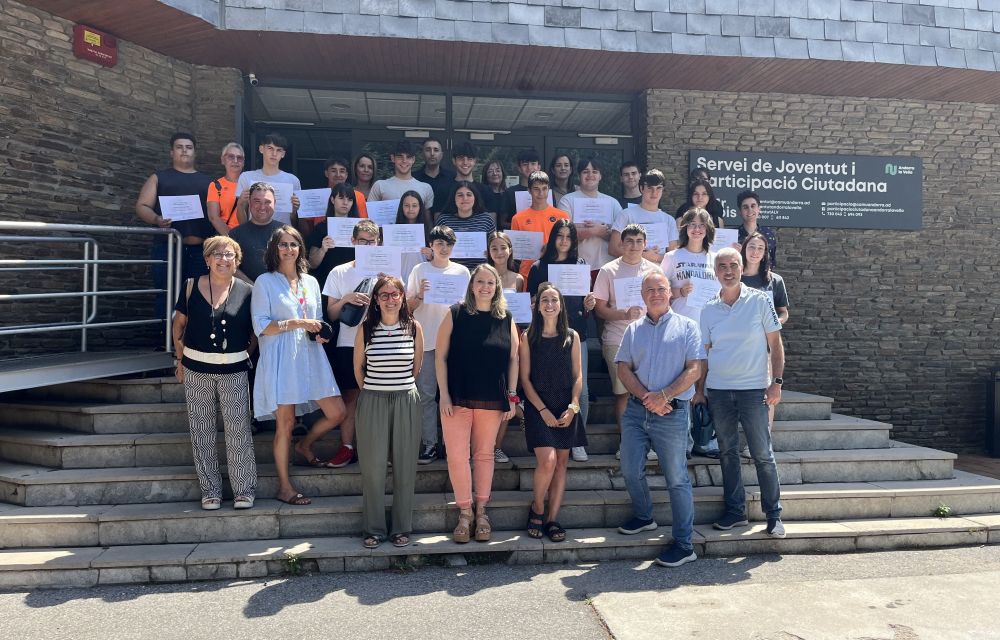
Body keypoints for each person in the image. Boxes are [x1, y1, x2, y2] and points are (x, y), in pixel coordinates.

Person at [251, 225, 347, 505]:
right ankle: (284, 487)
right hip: (281, 357)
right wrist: (298, 323)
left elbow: (317, 320)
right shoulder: (265, 282)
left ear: (300, 249)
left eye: (293, 244)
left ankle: (304, 446)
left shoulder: (311, 282)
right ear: (274, 248)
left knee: (337, 412)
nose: (289, 249)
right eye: (283, 244)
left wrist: (320, 333)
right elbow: (261, 326)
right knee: (286, 423)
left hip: (310, 354)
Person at [615, 271, 704, 567]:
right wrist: (647, 397)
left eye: (661, 288)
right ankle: (644, 517)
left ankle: (685, 545)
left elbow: (694, 369)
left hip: (672, 414)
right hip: (636, 411)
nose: (655, 294)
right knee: (630, 469)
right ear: (643, 295)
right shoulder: (633, 330)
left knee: (677, 479)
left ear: (670, 293)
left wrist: (663, 396)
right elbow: (623, 368)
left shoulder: (688, 326)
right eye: (650, 289)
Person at [696, 247, 786, 538]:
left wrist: (777, 383)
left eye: (733, 265)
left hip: (754, 390)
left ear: (741, 267)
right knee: (727, 453)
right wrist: (700, 390)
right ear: (715, 272)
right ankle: (735, 512)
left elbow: (776, 345)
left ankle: (774, 515)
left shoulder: (760, 301)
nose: (728, 271)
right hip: (719, 392)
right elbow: (704, 355)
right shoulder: (708, 309)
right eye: (722, 266)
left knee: (762, 454)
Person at [171, 235, 257, 510]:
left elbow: (255, 333)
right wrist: (180, 360)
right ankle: (210, 490)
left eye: (229, 254)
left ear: (237, 261)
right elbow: (178, 326)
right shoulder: (190, 286)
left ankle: (244, 490)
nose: (223, 259)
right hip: (196, 369)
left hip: (234, 370)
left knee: (238, 430)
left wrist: (243, 354)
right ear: (207, 259)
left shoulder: (247, 291)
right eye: (217, 254)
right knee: (202, 431)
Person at [436, 264, 519, 543]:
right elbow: (440, 357)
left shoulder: (506, 318)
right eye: (480, 282)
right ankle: (465, 513)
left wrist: (512, 395)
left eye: (490, 283)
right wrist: (444, 394)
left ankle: (482, 510)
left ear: (497, 288)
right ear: (472, 285)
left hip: (492, 397)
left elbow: (514, 359)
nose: (485, 287)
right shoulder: (455, 313)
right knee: (457, 456)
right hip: (456, 396)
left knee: (484, 455)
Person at [353, 275, 424, 549]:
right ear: (376, 299)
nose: (390, 299)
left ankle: (401, 528)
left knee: (405, 466)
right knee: (373, 468)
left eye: (395, 294)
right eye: (384, 295)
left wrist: (399, 387)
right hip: (373, 400)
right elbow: (358, 368)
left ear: (403, 297)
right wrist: (373, 390)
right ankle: (373, 529)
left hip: (406, 400)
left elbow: (416, 367)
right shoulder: (366, 329)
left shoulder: (414, 327)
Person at [519, 283, 585, 543]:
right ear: (536, 306)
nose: (549, 304)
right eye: (544, 300)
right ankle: (537, 507)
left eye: (554, 300)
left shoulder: (572, 336)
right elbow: (525, 380)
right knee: (547, 461)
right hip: (538, 406)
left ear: (561, 305)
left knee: (561, 464)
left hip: (566, 406)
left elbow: (578, 376)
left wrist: (573, 406)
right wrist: (543, 410)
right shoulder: (528, 337)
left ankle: (552, 519)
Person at [527, 220, 597, 462]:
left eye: (569, 236)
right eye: (560, 235)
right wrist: (534, 303)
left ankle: (577, 439)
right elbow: (531, 302)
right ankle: (546, 434)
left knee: (581, 388)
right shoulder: (539, 267)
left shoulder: (580, 265)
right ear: (553, 238)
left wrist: (589, 304)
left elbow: (584, 304)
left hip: (575, 333)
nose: (564, 241)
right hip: (544, 337)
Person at [593, 224, 661, 457]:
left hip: (649, 339)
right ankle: (627, 444)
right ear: (621, 244)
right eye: (629, 241)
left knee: (648, 394)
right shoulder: (608, 270)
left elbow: (663, 303)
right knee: (623, 393)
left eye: (639, 241)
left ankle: (648, 444)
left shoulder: (654, 271)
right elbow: (600, 309)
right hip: (617, 338)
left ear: (645, 244)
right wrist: (624, 314)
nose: (634, 245)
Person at [135, 132, 215, 327]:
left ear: (195, 152)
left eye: (189, 147)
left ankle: (193, 339)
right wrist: (156, 219)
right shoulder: (159, 177)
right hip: (167, 247)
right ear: (172, 152)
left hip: (200, 250)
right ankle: (165, 338)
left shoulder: (209, 182)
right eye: (179, 147)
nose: (184, 151)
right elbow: (142, 206)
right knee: (167, 294)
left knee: (199, 295)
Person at [406, 225, 471, 464]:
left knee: (454, 395)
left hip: (455, 343)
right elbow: (407, 307)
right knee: (426, 394)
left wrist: (463, 305)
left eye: (448, 244)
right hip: (426, 341)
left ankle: (453, 444)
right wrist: (420, 296)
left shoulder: (462, 272)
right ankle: (430, 443)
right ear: (431, 246)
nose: (444, 248)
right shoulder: (419, 270)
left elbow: (471, 308)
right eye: (439, 244)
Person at [322, 219, 383, 467]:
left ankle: (378, 449)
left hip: (381, 342)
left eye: (372, 242)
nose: (367, 246)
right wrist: (346, 298)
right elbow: (331, 314)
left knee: (380, 398)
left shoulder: (387, 270)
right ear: (353, 241)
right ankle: (347, 447)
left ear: (378, 243)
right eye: (362, 241)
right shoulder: (339, 271)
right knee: (350, 397)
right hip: (348, 342)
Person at [485, 230, 524, 464]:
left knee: (508, 394)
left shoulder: (518, 279)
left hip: (512, 339)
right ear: (488, 252)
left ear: (510, 250)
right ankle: (484, 446)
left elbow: (521, 313)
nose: (499, 252)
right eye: (494, 248)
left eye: (503, 247)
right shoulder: (483, 275)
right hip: (487, 340)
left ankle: (496, 447)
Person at [558, 157, 622, 277]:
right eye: (585, 172)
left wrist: (604, 233)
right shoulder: (567, 200)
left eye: (594, 172)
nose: (590, 175)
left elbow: (622, 238)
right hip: (576, 265)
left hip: (606, 266)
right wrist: (594, 231)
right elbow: (564, 234)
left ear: (600, 176)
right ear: (579, 176)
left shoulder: (613, 203)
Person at [510, 170, 570, 280]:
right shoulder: (517, 219)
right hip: (527, 273)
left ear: (549, 189)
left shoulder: (562, 216)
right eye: (536, 189)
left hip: (555, 272)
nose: (541, 193)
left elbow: (569, 245)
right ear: (529, 190)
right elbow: (515, 254)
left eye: (544, 188)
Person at [610, 169, 678, 263]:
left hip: (658, 271)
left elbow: (673, 256)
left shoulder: (669, 220)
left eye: (658, 188)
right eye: (650, 188)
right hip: (631, 270)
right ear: (641, 188)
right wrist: (641, 255)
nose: (654, 192)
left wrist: (656, 257)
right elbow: (613, 248)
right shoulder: (626, 215)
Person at [662, 208, 717, 324]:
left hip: (709, 324)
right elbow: (659, 290)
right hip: (680, 323)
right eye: (692, 224)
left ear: (708, 229)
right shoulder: (672, 257)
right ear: (685, 227)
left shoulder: (715, 259)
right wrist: (680, 292)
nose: (697, 229)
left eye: (702, 225)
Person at [236, 132, 301, 229]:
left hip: (283, 234)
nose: (274, 154)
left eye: (278, 150)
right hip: (255, 232)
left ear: (283, 154)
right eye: (270, 148)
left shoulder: (293, 180)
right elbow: (242, 222)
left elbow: (295, 223)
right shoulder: (247, 177)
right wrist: (240, 203)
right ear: (261, 149)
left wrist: (294, 211)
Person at [305, 183, 361, 290]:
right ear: (332, 200)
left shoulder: (360, 229)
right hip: (326, 283)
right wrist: (322, 249)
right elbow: (312, 264)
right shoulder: (320, 228)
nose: (345, 203)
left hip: (353, 284)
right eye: (341, 198)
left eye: (350, 199)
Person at [230, 182, 286, 283]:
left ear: (275, 203)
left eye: (267, 202)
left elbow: (294, 264)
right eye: (257, 201)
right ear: (249, 203)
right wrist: (254, 287)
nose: (262, 207)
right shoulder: (235, 234)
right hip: (247, 290)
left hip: (280, 289)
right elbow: (231, 266)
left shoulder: (286, 232)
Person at [434, 181, 496, 270]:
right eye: (460, 195)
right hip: (450, 271)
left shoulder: (486, 219)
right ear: (454, 198)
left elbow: (494, 245)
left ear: (475, 198)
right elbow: (436, 246)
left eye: (469, 195)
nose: (465, 198)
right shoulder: (444, 220)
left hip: (480, 272)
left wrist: (489, 251)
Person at [368, 139, 434, 208]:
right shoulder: (380, 186)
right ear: (393, 158)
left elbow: (427, 214)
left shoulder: (425, 188)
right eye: (400, 157)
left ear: (413, 159)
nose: (404, 161)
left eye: (408, 157)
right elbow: (370, 213)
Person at [742, 231, 789, 326]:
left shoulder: (776, 280)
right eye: (752, 247)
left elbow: (783, 312)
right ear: (744, 249)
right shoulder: (733, 278)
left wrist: (777, 322)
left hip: (766, 333)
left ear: (764, 253)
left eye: (760, 248)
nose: (755, 252)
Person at [394, 190, 435, 283]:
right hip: (398, 280)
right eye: (406, 205)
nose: (410, 209)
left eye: (414, 205)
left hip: (422, 280)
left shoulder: (430, 232)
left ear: (420, 207)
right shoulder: (393, 231)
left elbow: (438, 262)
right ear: (401, 207)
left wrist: (431, 256)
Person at [206, 142, 246, 234]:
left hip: (247, 235)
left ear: (243, 162)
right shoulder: (216, 186)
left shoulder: (248, 184)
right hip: (225, 236)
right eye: (231, 157)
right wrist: (231, 238)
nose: (235, 160)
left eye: (239, 158)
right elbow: (213, 217)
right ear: (223, 160)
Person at [501, 148, 542, 230]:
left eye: (533, 164)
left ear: (538, 167)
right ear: (519, 168)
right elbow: (502, 222)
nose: (529, 167)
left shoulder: (546, 191)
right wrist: (521, 225)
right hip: (518, 236)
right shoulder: (510, 192)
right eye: (525, 164)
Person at [735, 190, 778, 266]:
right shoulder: (733, 236)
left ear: (759, 209)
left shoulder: (768, 234)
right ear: (740, 212)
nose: (750, 210)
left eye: (753, 206)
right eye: (745, 207)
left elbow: (771, 261)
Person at [414, 137, 455, 215]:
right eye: (428, 150)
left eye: (436, 150)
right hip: (420, 222)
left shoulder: (452, 178)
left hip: (446, 222)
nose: (432, 153)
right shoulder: (414, 178)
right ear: (422, 154)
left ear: (441, 155)